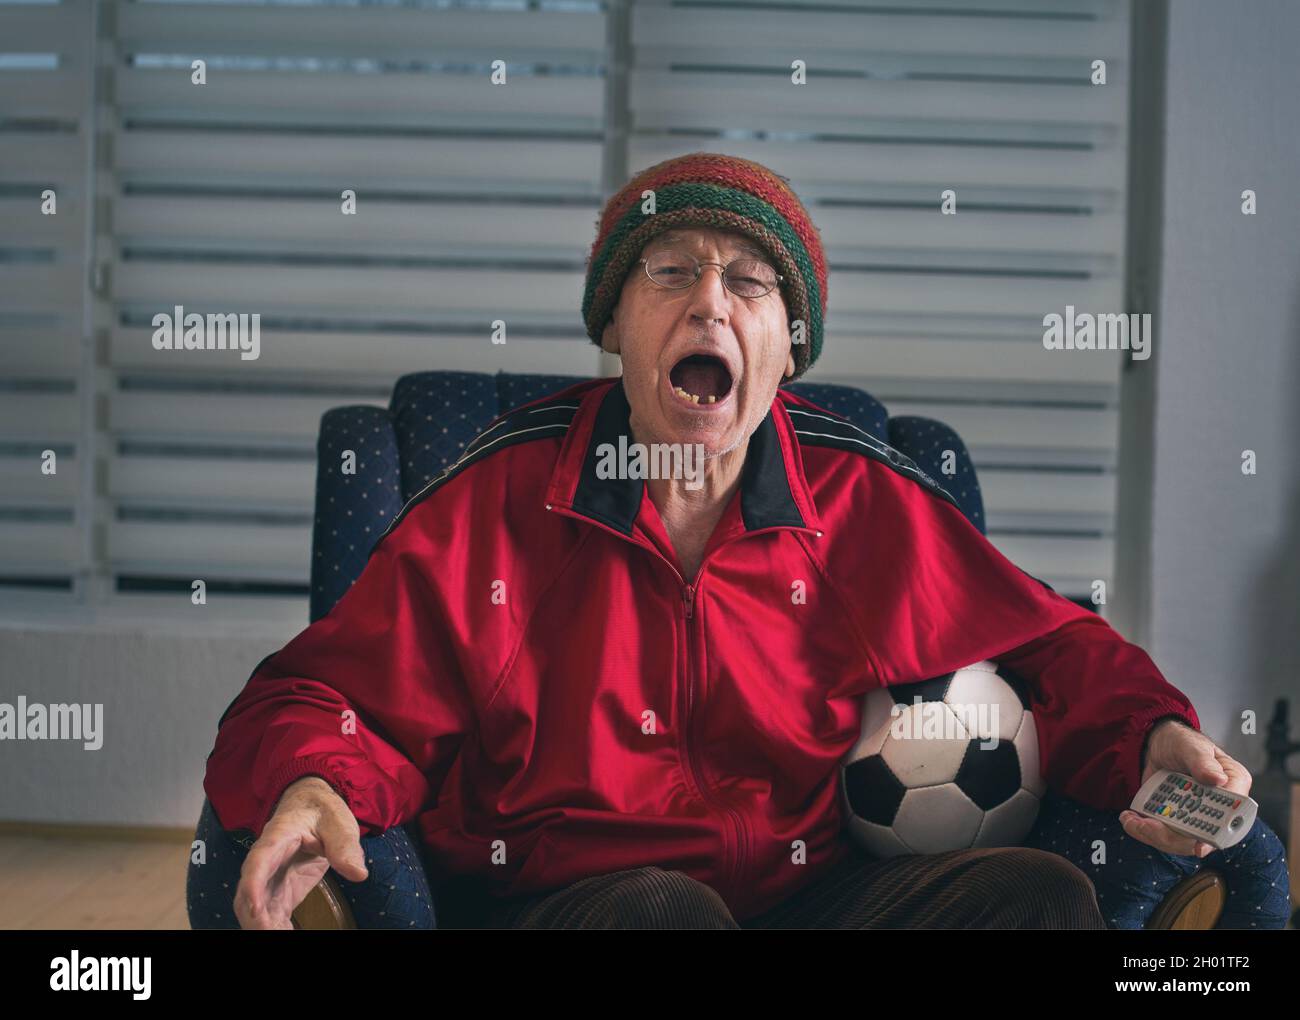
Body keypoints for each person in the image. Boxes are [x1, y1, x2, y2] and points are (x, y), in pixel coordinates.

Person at [202, 153, 1251, 929]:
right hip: (574, 903)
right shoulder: (499, 498)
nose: (710, 299)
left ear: (787, 349)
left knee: (1041, 898)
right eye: (668, 271)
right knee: (665, 916)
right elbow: (330, 696)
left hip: (811, 896)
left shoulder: (860, 497)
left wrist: (1151, 736)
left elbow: (1052, 650)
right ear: (612, 323)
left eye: (749, 283)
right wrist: (313, 779)